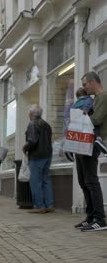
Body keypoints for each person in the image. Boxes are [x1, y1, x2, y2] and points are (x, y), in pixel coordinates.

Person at [73, 72, 107, 231]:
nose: (84, 88)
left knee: (91, 180)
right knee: (83, 180)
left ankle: (100, 219)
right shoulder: (94, 99)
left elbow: (97, 119)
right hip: (85, 142)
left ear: (93, 82)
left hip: (93, 143)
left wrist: (80, 118)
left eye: (85, 84)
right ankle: (91, 216)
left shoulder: (103, 97)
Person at [23, 105, 54, 214]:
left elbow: (32, 140)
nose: (28, 114)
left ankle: (39, 206)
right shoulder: (46, 124)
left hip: (37, 156)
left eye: (29, 112)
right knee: (45, 180)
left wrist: (25, 148)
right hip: (47, 155)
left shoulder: (32, 124)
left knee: (36, 181)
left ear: (31, 113)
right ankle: (49, 205)